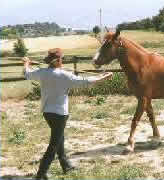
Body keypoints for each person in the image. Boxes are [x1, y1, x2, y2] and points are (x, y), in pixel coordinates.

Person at [22, 48, 112, 180]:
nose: (62, 61)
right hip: (60, 114)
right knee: (54, 144)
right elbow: (86, 82)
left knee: (59, 138)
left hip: (47, 113)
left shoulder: (42, 73)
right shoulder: (64, 75)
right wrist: (104, 77)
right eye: (61, 59)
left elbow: (27, 73)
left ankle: (66, 165)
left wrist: (26, 63)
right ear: (58, 60)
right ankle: (41, 174)